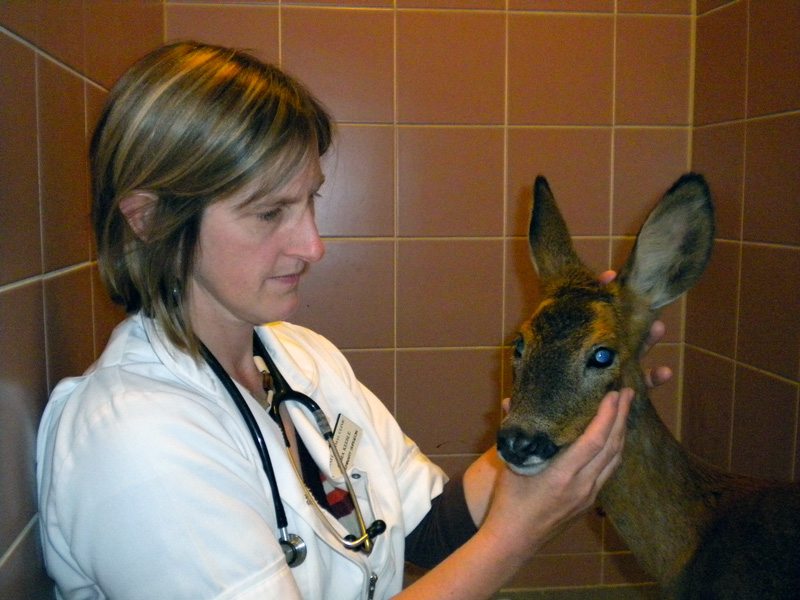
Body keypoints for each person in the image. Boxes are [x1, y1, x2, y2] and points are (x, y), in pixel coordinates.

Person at [36, 41, 664, 600]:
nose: (313, 246)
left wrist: (570, 404)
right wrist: (515, 537)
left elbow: (427, 528)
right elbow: (487, 541)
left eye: (309, 198)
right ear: (147, 219)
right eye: (268, 213)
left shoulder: (299, 358)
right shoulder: (136, 441)